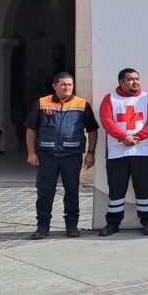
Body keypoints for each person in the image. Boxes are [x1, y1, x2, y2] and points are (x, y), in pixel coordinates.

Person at [25, 72, 100, 239]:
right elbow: (31, 129)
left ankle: (72, 226)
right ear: (55, 86)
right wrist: (31, 152)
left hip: (71, 155)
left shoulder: (82, 104)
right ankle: (42, 226)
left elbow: (92, 130)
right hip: (47, 155)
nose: (67, 87)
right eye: (63, 84)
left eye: (70, 85)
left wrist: (91, 153)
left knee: (72, 190)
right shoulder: (41, 103)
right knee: (45, 191)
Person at [98, 68, 148, 236]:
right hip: (118, 152)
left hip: (142, 151)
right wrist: (123, 136)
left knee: (144, 188)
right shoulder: (110, 98)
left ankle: (147, 222)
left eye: (137, 78)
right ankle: (113, 223)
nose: (135, 82)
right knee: (116, 189)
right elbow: (106, 120)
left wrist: (138, 137)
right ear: (121, 82)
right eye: (130, 79)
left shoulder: (147, 98)